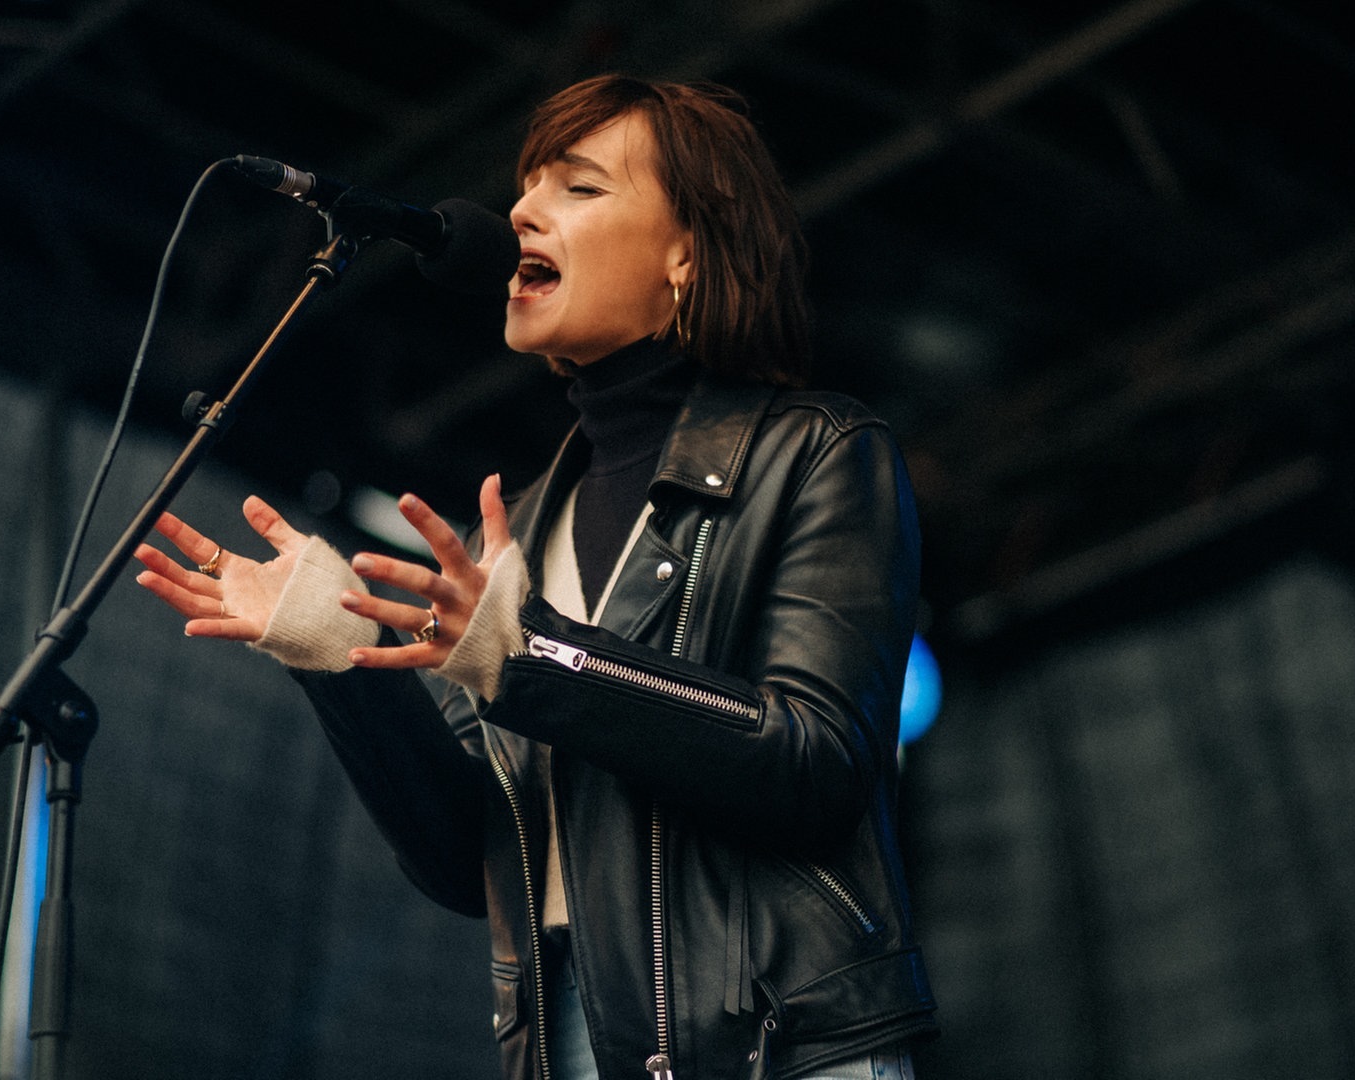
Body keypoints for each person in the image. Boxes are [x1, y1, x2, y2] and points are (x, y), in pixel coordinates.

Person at [134, 74, 936, 1080]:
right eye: (526, 187)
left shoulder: (815, 452)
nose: (520, 210)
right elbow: (468, 862)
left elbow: (814, 763)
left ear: (688, 251)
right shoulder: (524, 525)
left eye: (579, 187)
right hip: (574, 1046)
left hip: (783, 1045)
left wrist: (533, 658)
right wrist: (340, 659)